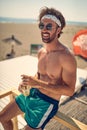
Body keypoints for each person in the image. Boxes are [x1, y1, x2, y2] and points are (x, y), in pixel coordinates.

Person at [0, 6, 77, 130]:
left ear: (59, 29)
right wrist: (28, 84)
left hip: (46, 103)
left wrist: (37, 83)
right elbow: (39, 75)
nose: (44, 29)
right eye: (42, 26)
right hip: (32, 93)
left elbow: (69, 91)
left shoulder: (67, 57)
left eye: (49, 26)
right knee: (3, 116)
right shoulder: (41, 52)